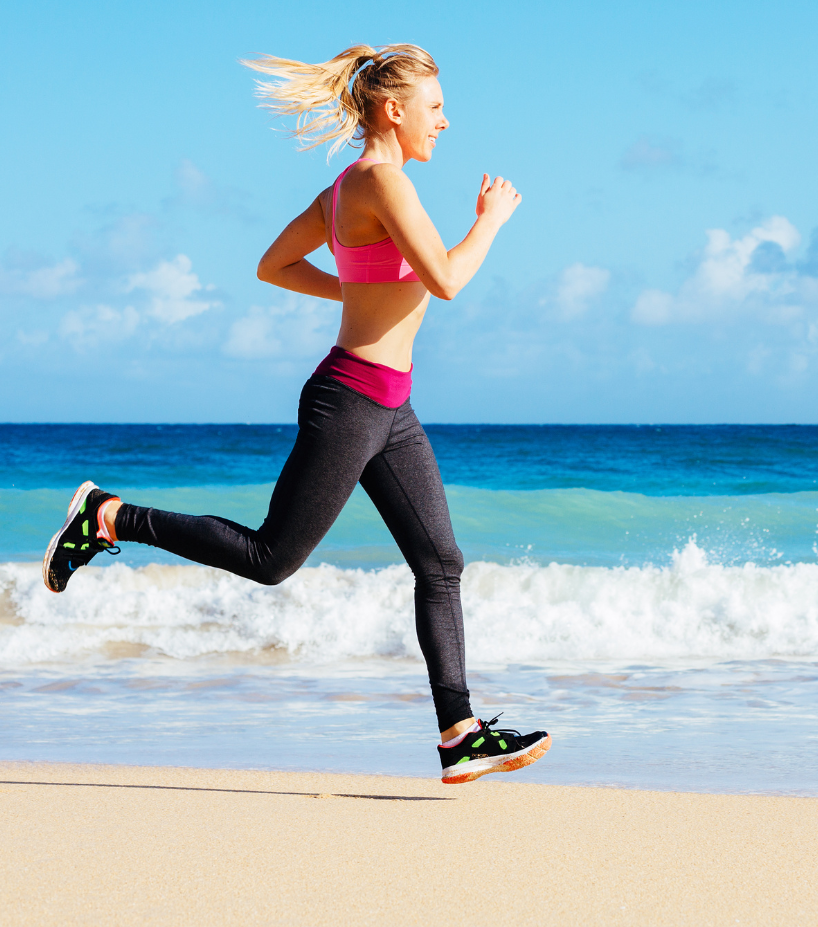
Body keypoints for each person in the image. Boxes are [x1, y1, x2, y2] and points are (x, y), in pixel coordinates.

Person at [40, 43, 549, 785]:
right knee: (270, 560)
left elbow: (273, 266)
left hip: (390, 407)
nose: (445, 122)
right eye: (435, 109)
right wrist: (491, 221)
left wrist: (361, 297)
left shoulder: (345, 190)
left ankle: (459, 732)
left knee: (440, 562)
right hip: (350, 402)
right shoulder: (384, 183)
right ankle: (109, 516)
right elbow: (445, 280)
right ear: (394, 110)